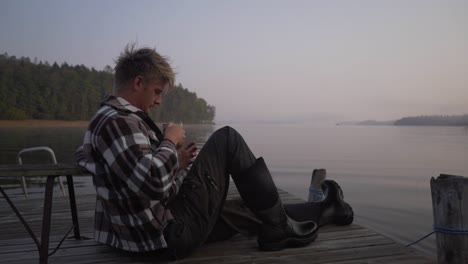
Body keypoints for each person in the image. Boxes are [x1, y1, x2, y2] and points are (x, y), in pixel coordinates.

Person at [75, 44, 353, 260]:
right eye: (157, 91)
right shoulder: (118, 121)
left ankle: (328, 210)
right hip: (164, 235)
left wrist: (178, 164)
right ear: (137, 83)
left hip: (155, 228)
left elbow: (134, 179)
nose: (158, 101)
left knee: (248, 209)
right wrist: (170, 142)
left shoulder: (108, 120)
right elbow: (151, 184)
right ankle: (279, 230)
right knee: (227, 139)